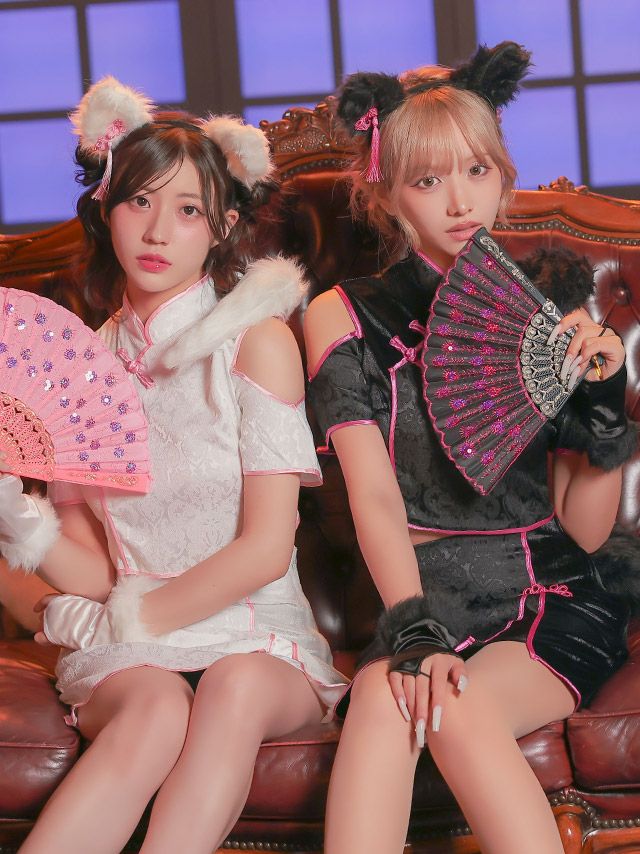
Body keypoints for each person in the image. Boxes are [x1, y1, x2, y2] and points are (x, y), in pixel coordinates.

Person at [304, 43, 637, 854]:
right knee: (385, 698)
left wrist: (603, 405)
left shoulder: (552, 302)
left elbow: (585, 529)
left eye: (477, 171)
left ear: (502, 175)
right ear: (385, 191)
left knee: (448, 707)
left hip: (547, 596)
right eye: (427, 180)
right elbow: (373, 494)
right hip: (422, 597)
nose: (460, 202)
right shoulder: (344, 314)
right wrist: (413, 628)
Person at [0, 77, 345, 854]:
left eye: (188, 210)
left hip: (254, 631)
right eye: (139, 202)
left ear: (223, 225)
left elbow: (266, 549)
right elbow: (94, 569)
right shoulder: (79, 368)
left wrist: (136, 616)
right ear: (106, 210)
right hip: (131, 646)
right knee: (155, 711)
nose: (159, 231)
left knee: (233, 685)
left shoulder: (256, 341)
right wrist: (14, 512)